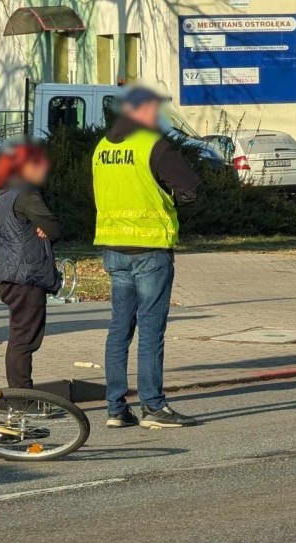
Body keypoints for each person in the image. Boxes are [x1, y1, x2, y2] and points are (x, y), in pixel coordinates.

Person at [92, 87, 201, 430]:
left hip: (113, 246)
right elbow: (191, 187)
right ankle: (153, 406)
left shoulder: (103, 147)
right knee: (151, 330)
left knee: (119, 329)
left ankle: (115, 408)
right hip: (149, 249)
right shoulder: (152, 144)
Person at [0, 143, 62, 389]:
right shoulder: (26, 194)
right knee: (24, 339)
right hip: (26, 274)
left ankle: (20, 393)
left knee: (21, 336)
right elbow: (52, 226)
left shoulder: (5, 192)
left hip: (13, 272)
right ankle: (21, 396)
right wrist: (46, 229)